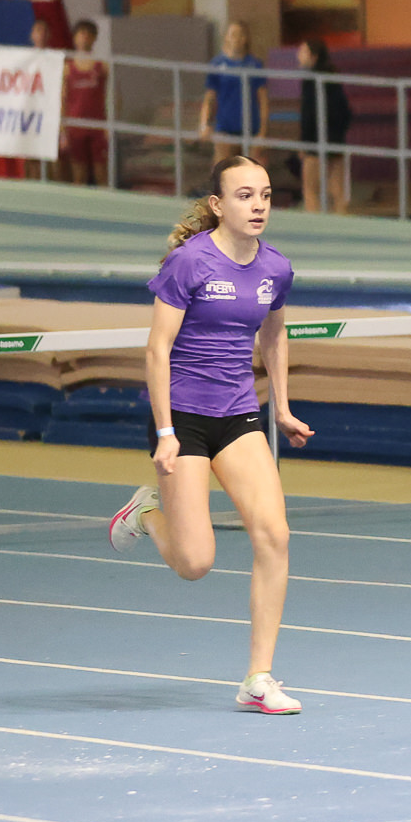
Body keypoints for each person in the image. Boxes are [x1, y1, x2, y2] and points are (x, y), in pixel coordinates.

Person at [105, 156, 311, 715]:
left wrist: (282, 408)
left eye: (265, 195)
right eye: (245, 195)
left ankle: (258, 678)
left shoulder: (275, 268)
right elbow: (157, 349)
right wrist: (165, 432)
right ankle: (147, 512)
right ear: (218, 205)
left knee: (275, 535)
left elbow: (274, 335)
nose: (258, 205)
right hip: (182, 418)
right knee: (195, 562)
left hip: (238, 414)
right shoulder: (189, 262)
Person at [290, 35, 352, 214]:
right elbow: (346, 111)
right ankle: (343, 226)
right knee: (338, 192)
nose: (298, 55)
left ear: (313, 56)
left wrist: (305, 143)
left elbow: (309, 114)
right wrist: (339, 135)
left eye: (303, 51)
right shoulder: (333, 77)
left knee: (311, 190)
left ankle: (314, 227)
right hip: (336, 139)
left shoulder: (310, 81)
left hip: (315, 142)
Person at [195, 19, 267, 154]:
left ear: (246, 39)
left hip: (251, 127)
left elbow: (262, 100)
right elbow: (209, 98)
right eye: (233, 34)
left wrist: (262, 132)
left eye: (241, 35)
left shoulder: (255, 64)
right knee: (223, 164)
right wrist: (204, 124)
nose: (237, 39)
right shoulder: (217, 63)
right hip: (225, 126)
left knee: (249, 165)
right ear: (227, 37)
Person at [57, 19, 109, 186]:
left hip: (98, 126)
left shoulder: (102, 66)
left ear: (94, 38)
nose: (84, 38)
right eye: (81, 34)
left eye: (88, 34)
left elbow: (112, 96)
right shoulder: (68, 68)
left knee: (101, 174)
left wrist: (110, 124)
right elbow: (62, 98)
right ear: (75, 38)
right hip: (75, 126)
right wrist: (62, 129)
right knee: (79, 175)